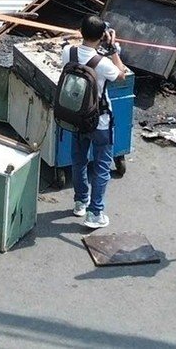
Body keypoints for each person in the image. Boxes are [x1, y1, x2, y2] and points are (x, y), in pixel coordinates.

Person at [61, 15, 126, 230]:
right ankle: (95, 212)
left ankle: (81, 202)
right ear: (102, 37)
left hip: (77, 116)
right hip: (100, 121)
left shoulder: (67, 52)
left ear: (80, 31)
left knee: (78, 160)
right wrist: (114, 49)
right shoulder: (103, 63)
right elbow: (121, 75)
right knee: (101, 167)